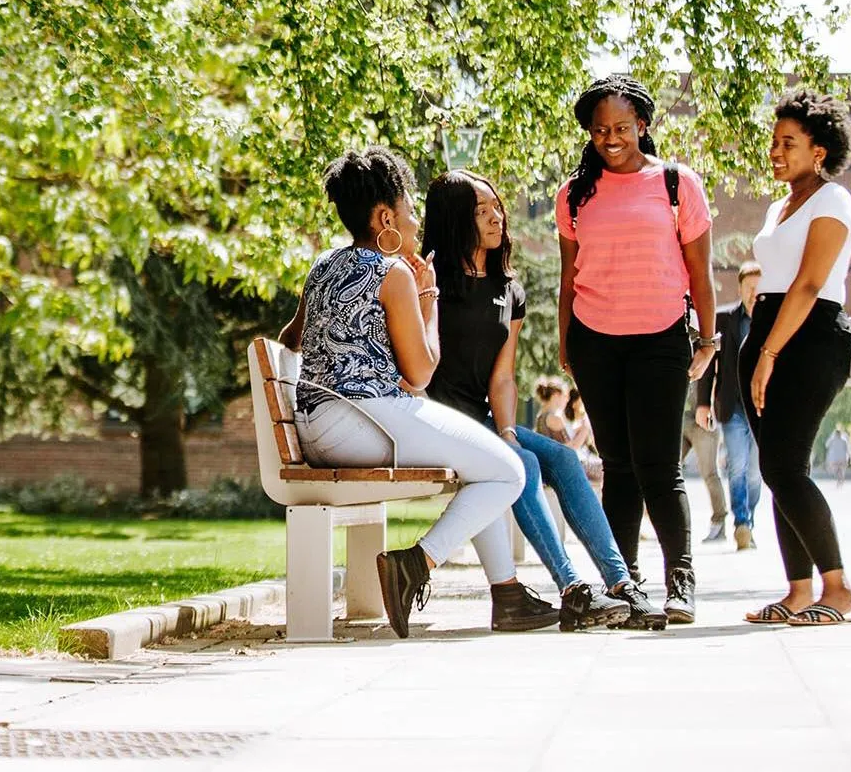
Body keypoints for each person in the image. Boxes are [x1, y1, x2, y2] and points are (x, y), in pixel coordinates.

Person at [278, 147, 530, 639]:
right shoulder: (393, 273)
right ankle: (416, 564)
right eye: (411, 211)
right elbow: (421, 373)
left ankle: (508, 594)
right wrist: (428, 294)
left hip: (315, 429)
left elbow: (290, 339)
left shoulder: (322, 265)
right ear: (385, 217)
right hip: (365, 423)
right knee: (508, 471)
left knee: (485, 465)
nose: (416, 223)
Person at [422, 171, 665, 630]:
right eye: (482, 211)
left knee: (564, 461)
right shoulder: (430, 279)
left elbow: (503, 376)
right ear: (456, 218)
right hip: (438, 424)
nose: (497, 218)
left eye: (497, 208)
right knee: (526, 467)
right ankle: (573, 588)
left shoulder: (507, 289)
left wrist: (509, 432)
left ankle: (621, 585)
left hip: (484, 422)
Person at [556, 74, 719, 624]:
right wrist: (566, 344)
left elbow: (699, 269)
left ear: (642, 126)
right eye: (600, 130)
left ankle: (681, 581)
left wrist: (709, 337)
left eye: (622, 127)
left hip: (661, 337)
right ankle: (622, 583)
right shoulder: (574, 193)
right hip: (595, 339)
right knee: (618, 465)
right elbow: (568, 275)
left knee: (657, 465)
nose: (611, 138)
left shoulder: (677, 184)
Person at [740, 90, 851, 627]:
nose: (775, 150)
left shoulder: (832, 201)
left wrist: (769, 353)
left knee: (785, 466)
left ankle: (838, 589)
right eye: (773, 141)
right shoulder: (778, 207)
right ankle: (798, 590)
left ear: (819, 149)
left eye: (788, 142)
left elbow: (811, 283)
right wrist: (758, 348)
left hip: (809, 339)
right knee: (777, 471)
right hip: (766, 333)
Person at [696, 260, 766, 549]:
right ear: (740, 288)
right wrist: (703, 403)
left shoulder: (772, 323)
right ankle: (741, 523)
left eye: (758, 289)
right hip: (733, 408)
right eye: (749, 288)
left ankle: (749, 517)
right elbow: (708, 364)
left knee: (755, 472)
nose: (754, 295)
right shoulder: (725, 320)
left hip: (763, 410)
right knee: (737, 466)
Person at [680, 387, 730, 542]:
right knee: (664, 470)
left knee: (710, 473)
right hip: (680, 420)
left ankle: (719, 523)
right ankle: (662, 522)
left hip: (704, 420)